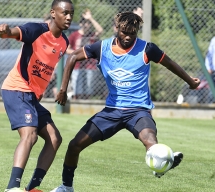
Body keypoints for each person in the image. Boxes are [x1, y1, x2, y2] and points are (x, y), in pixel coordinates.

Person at [51, 11, 201, 192]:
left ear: (137, 30)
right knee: (75, 145)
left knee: (150, 140)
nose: (128, 36)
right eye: (124, 32)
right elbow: (73, 56)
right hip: (111, 111)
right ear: (116, 29)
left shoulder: (147, 49)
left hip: (138, 110)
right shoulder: (102, 47)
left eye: (133, 32)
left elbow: (170, 64)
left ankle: (161, 161)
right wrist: (63, 89)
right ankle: (66, 187)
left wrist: (190, 81)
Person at [0, 0, 74, 191]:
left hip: (31, 96)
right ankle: (12, 187)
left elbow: (46, 68)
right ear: (53, 13)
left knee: (55, 138)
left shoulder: (64, 42)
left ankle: (31, 188)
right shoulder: (36, 30)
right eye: (64, 13)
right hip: (16, 88)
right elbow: (13, 33)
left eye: (71, 13)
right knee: (30, 135)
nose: (69, 17)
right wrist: (5, 31)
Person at [67, 9, 103, 99]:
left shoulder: (92, 35)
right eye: (84, 23)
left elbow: (100, 30)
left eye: (88, 23)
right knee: (76, 88)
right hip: (77, 65)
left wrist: (90, 18)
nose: (86, 25)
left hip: (90, 66)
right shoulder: (74, 35)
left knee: (88, 88)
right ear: (80, 24)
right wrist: (78, 54)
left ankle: (87, 102)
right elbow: (67, 49)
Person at [205, 36, 215, 102]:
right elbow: (209, 55)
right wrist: (208, 67)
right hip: (214, 72)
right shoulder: (214, 40)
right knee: (212, 94)